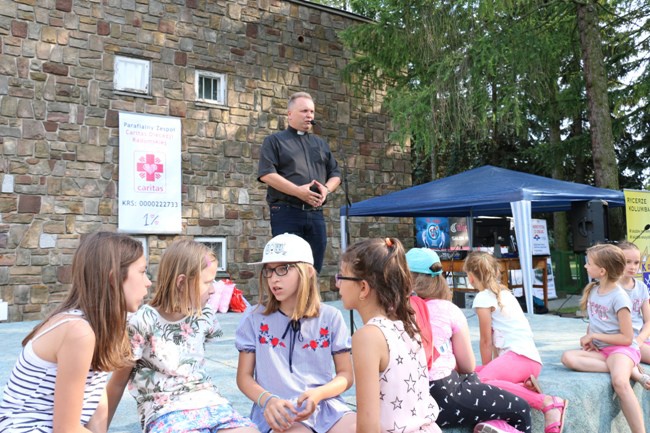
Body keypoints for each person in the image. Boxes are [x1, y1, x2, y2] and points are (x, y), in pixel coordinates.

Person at [0, 231, 151, 433]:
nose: (148, 282)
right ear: (114, 278)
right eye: (142, 272)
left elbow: (95, 395)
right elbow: (66, 429)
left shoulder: (102, 325)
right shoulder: (77, 331)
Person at [106, 239, 258, 433]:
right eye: (208, 282)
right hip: (165, 411)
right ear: (182, 282)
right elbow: (118, 381)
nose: (213, 290)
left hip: (209, 403)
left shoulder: (205, 316)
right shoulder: (142, 321)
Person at [235, 233, 355, 433]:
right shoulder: (254, 318)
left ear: (308, 271)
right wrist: (268, 400)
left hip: (325, 406)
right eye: (269, 271)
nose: (274, 278)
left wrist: (319, 394)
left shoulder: (331, 317)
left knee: (364, 427)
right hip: (277, 409)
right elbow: (244, 377)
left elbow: (346, 375)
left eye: (283, 269)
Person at [405, 248, 532, 433]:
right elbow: (467, 365)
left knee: (474, 381)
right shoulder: (448, 309)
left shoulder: (395, 310)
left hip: (408, 396)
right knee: (520, 408)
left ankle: (494, 426)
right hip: (442, 395)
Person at [338, 237, 441, 433]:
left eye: (341, 277)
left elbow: (368, 426)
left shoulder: (367, 337)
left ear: (363, 287)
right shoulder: (407, 323)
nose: (338, 285)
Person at [467, 251, 568, 433]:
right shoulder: (504, 293)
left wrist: (491, 373)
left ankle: (547, 403)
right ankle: (519, 389)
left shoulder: (483, 298)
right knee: (470, 373)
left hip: (519, 358)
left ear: (470, 277)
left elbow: (485, 341)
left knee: (481, 381)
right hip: (529, 361)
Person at [561, 244, 645, 433]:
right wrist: (591, 338)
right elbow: (596, 322)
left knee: (620, 383)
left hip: (621, 350)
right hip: (603, 351)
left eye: (588, 263)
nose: (585, 266)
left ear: (602, 270)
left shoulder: (620, 298)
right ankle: (628, 369)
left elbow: (626, 338)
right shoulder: (593, 291)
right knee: (568, 358)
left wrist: (595, 335)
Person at [257, 91, 341, 273]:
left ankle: (309, 302)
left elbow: (335, 173)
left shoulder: (320, 144)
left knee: (312, 269)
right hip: (286, 213)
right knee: (287, 267)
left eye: (311, 111)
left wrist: (326, 189)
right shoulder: (274, 141)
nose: (309, 115)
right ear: (289, 114)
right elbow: (267, 174)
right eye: (304, 111)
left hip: (316, 214)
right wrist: (298, 191)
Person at [617, 241, 650, 387]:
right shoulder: (610, 289)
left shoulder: (641, 287)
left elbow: (648, 321)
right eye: (627, 262)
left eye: (636, 262)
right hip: (622, 341)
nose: (633, 266)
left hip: (639, 340)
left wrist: (640, 339)